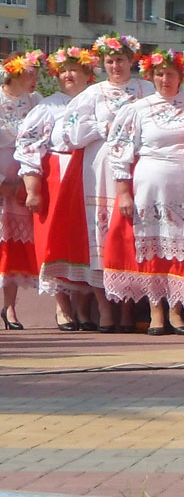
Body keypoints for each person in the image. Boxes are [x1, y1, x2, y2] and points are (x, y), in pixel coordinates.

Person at [54, 34, 155, 332]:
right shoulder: (93, 93)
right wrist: (102, 127)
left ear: (131, 60)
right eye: (110, 61)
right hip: (99, 170)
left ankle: (128, 308)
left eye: (120, 60)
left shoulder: (147, 89)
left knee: (129, 235)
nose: (115, 66)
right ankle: (105, 307)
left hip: (135, 167)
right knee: (100, 236)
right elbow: (69, 135)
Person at [103, 50, 184, 334]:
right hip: (149, 183)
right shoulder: (138, 109)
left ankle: (177, 310)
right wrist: (124, 192)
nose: (164, 79)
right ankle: (155, 310)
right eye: (159, 74)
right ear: (151, 76)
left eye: (170, 74)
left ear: (182, 76)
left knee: (182, 246)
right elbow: (120, 150)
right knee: (152, 246)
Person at [27, 47, 99, 330]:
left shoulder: (96, 99)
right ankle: (62, 306)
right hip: (57, 173)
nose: (68, 75)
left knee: (84, 239)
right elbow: (29, 145)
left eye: (74, 70)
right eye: (63, 70)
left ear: (87, 73)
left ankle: (82, 306)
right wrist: (32, 187)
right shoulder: (48, 106)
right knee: (54, 240)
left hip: (88, 173)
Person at [0, 51, 45, 329]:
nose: (35, 79)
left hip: (23, 183)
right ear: (15, 72)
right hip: (2, 182)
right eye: (31, 73)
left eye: (37, 73)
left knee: (12, 247)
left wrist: (27, 183)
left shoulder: (36, 101)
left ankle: (10, 308)